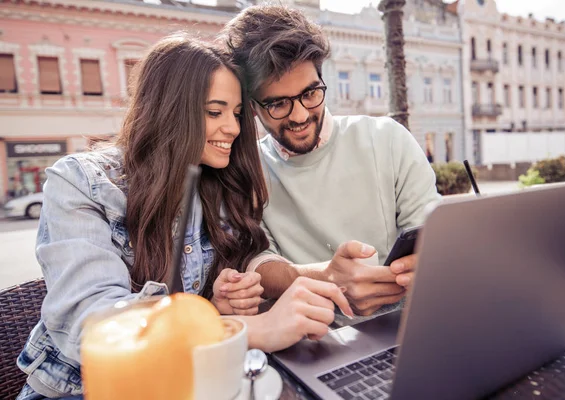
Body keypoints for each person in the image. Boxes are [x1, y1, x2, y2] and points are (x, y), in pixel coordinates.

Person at [16, 33, 353, 400]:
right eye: (215, 112)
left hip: (188, 384)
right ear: (169, 108)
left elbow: (245, 251)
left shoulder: (210, 179)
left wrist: (217, 299)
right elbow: (93, 326)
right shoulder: (82, 181)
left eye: (237, 113)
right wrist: (252, 329)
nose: (234, 128)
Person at [220, 5, 441, 317]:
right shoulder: (247, 169)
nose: (299, 115)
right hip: (308, 339)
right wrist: (326, 278)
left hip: (401, 325)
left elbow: (430, 232)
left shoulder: (388, 138)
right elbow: (257, 262)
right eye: (278, 104)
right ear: (252, 106)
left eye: (310, 93)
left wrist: (419, 268)